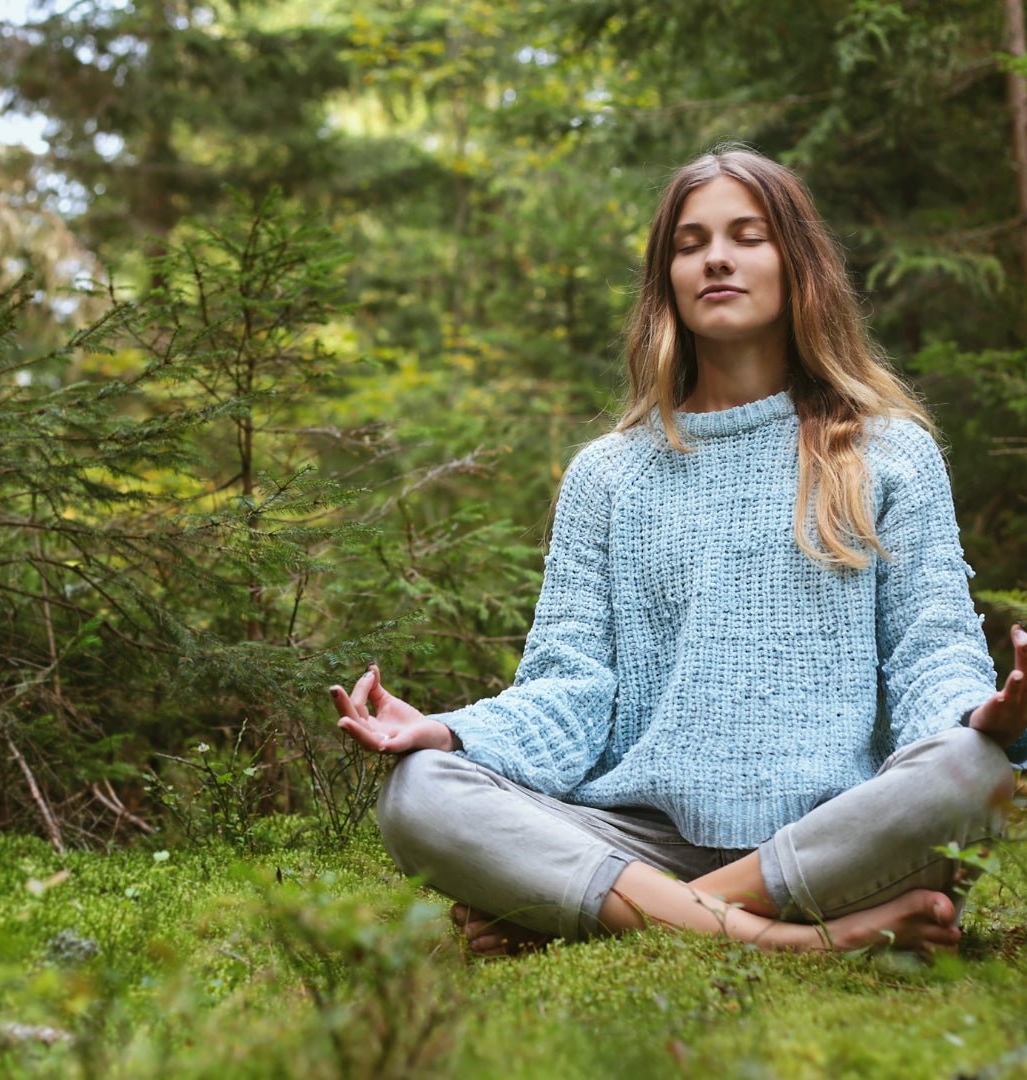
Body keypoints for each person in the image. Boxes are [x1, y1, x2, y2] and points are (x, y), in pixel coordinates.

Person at [330, 146, 1027, 958]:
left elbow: (931, 652)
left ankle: (616, 919)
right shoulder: (608, 475)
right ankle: (806, 943)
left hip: (829, 833)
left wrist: (980, 718)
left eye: (747, 235)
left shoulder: (890, 453)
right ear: (667, 278)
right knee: (419, 794)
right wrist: (452, 735)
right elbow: (570, 688)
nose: (717, 258)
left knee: (973, 773)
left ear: (797, 264)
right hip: (638, 836)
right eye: (690, 243)